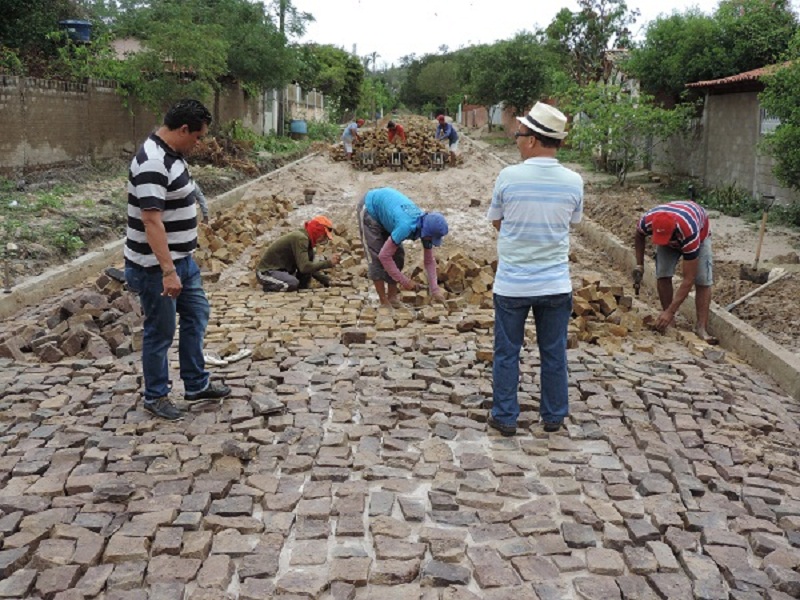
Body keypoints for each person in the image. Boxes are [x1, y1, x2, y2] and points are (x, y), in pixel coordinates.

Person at [124, 98, 231, 421]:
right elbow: (151, 221)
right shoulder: (152, 162)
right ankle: (156, 395)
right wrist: (168, 271)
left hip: (184, 260)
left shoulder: (172, 155)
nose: (199, 144)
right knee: (161, 330)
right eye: (197, 137)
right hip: (156, 267)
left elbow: (182, 190)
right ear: (183, 129)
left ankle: (196, 383)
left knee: (197, 314)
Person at [486, 102, 583, 437]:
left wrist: (519, 233)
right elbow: (570, 222)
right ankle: (553, 416)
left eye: (519, 133)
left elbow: (497, 220)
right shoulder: (574, 181)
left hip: (513, 284)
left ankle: (505, 416)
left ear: (531, 140)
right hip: (555, 283)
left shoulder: (508, 177)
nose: (516, 139)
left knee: (506, 352)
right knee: (554, 353)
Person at [633, 200, 716, 344]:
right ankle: (669, 323)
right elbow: (639, 235)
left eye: (667, 238)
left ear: (674, 231)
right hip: (674, 227)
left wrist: (671, 311)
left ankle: (701, 328)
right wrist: (639, 264)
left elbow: (688, 279)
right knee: (663, 273)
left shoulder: (689, 233)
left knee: (702, 280)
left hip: (699, 234)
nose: (665, 242)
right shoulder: (647, 221)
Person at [357, 187, 448, 308]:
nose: (431, 242)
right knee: (376, 257)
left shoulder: (425, 226)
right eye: (432, 239)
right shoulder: (406, 226)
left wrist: (435, 290)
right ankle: (384, 302)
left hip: (389, 214)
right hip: (370, 209)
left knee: (398, 256)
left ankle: (392, 297)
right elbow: (384, 256)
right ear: (426, 233)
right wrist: (405, 281)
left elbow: (429, 261)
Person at [256, 216, 340, 292]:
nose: (323, 239)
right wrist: (328, 263)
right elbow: (305, 267)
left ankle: (298, 288)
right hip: (266, 272)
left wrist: (327, 280)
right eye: (323, 236)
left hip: (282, 272)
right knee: (292, 283)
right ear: (317, 231)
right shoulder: (301, 238)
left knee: (301, 280)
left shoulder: (308, 243)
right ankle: (270, 287)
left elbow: (310, 269)